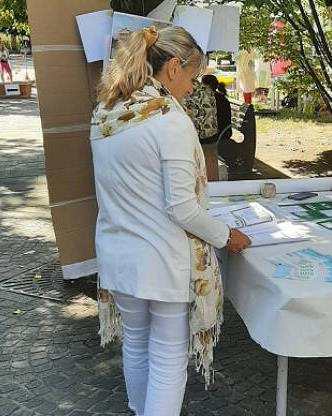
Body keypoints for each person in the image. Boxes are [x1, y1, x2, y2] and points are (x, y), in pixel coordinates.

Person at [90, 26, 251, 416]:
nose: (193, 88)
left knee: (137, 346)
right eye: (193, 78)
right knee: (167, 359)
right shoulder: (169, 121)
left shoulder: (107, 112)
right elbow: (181, 208)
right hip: (163, 263)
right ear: (174, 67)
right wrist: (226, 235)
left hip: (117, 256)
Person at [183, 75, 219, 181]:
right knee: (210, 163)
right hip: (211, 135)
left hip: (193, 136)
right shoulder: (208, 91)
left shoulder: (184, 91)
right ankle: (214, 190)